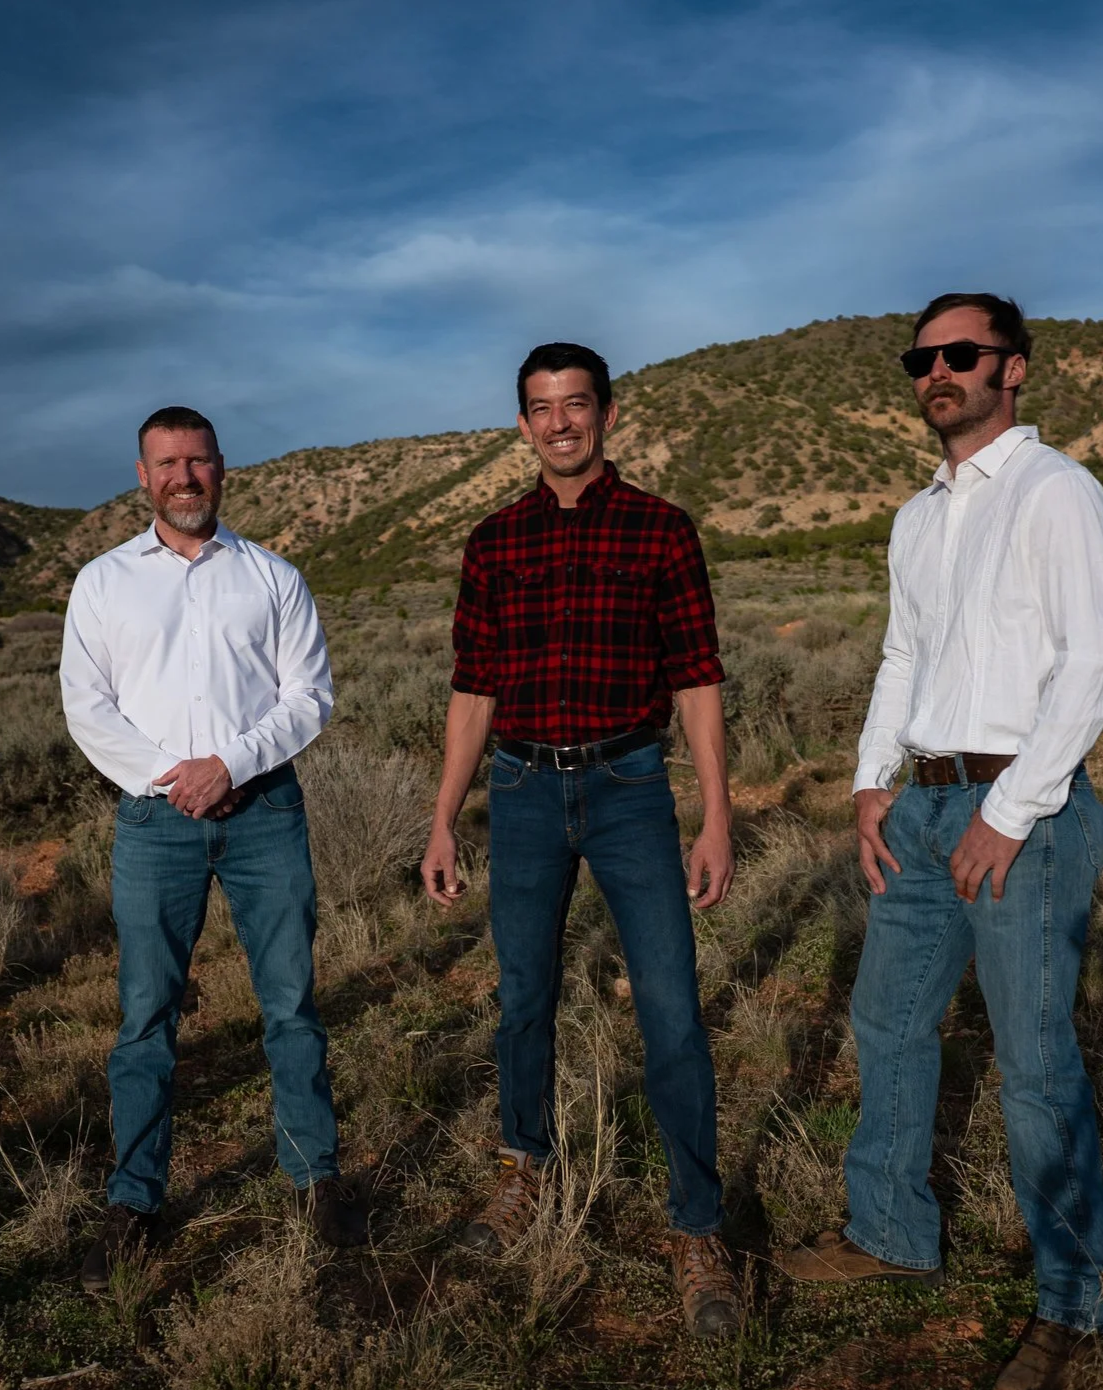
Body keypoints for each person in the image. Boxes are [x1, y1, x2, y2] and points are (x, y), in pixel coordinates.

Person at [775, 294, 1103, 1390]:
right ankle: (887, 1231)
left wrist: (1007, 812)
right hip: (922, 810)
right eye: (921, 358)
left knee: (1031, 1061)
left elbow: (1093, 667)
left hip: (1014, 813)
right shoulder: (916, 514)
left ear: (1010, 368)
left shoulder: (1055, 491)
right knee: (886, 1022)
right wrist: (871, 781)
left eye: (961, 354)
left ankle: (1076, 1296)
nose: (939, 370)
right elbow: (900, 656)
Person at [420, 343, 742, 1338]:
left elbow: (694, 678)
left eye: (573, 405)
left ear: (604, 414)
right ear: (522, 423)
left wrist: (715, 814)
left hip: (627, 784)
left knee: (671, 1009)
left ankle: (696, 1226)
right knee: (523, 999)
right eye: (539, 408)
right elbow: (472, 688)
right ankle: (527, 1170)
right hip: (518, 788)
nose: (558, 423)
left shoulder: (659, 530)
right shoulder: (492, 541)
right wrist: (441, 814)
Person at [61, 404, 361, 1290]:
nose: (183, 477)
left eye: (197, 461)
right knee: (146, 1015)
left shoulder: (271, 576)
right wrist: (173, 777)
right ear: (141, 475)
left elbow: (307, 696)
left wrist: (228, 763)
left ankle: (315, 1178)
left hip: (264, 812)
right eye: (166, 463)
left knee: (290, 1004)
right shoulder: (103, 583)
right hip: (155, 824)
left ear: (221, 469)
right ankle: (135, 1199)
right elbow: (87, 708)